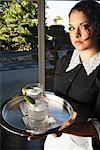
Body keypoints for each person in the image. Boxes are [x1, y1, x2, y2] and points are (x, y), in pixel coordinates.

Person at [44, 0, 100, 150]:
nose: (76, 34)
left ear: (98, 28)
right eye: (71, 28)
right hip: (53, 142)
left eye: (84, 26)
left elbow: (99, 127)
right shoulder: (63, 62)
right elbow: (57, 100)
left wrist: (60, 129)